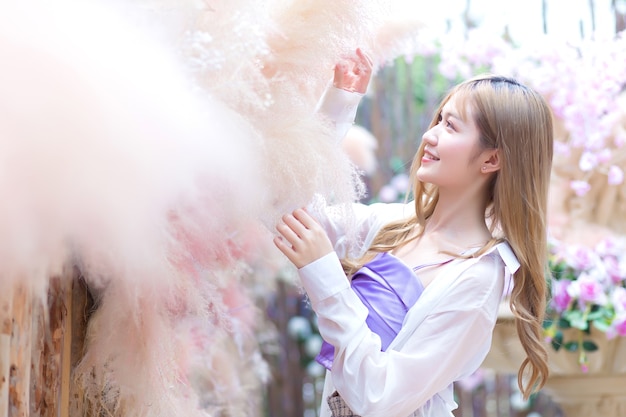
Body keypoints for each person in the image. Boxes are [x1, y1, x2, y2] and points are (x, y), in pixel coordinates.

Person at [274, 48, 553, 417]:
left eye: (451, 126)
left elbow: (379, 400)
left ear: (492, 159)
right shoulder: (392, 226)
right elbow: (283, 206)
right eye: (439, 120)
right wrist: (338, 105)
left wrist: (325, 275)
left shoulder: (476, 278)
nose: (430, 134)